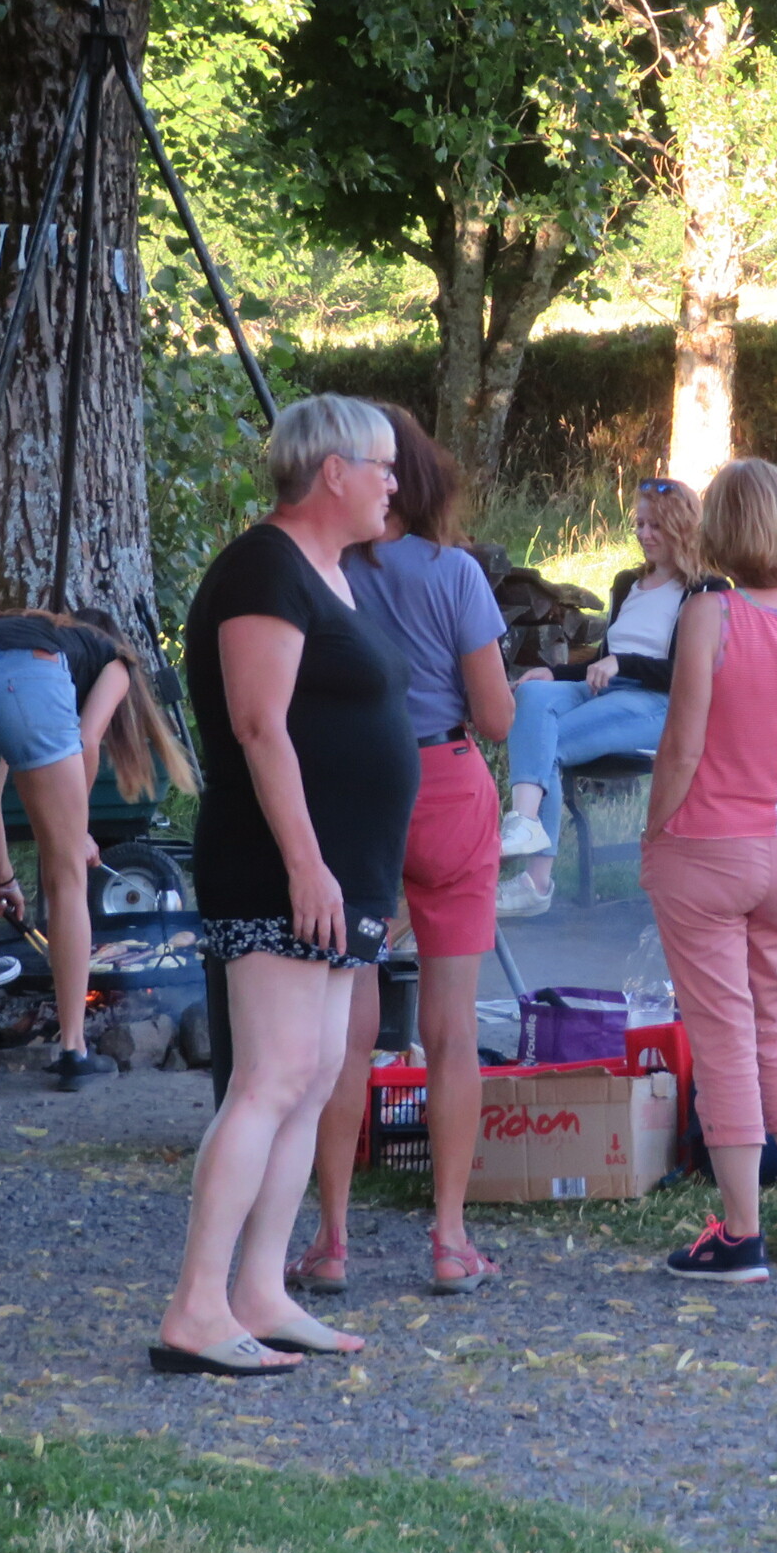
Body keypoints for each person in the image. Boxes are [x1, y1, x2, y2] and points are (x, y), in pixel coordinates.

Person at [153, 394, 417, 1378]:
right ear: (332, 471)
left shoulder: (330, 572)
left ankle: (261, 1290)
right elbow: (259, 726)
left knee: (309, 1081)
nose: (395, 483)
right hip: (278, 867)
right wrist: (307, 863)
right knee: (268, 1081)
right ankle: (197, 1305)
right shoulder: (263, 567)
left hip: (341, 875)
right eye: (383, 465)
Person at [293, 404, 516, 1296]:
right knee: (451, 1034)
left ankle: (332, 1239)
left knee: (347, 1035)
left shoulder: (324, 570)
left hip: (353, 791)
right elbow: (496, 716)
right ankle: (451, 1240)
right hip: (449, 783)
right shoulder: (455, 572)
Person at [641, 458, 777, 1282]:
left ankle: (738, 1232)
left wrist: (656, 831)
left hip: (705, 847)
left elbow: (682, 745)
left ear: (723, 531)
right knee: (773, 1026)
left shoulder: (710, 612)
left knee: (723, 1037)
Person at [0, 605, 193, 1097]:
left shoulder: (11, 630)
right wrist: (78, 833)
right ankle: (73, 1051)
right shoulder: (116, 660)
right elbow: (88, 739)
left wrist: (3, 875)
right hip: (33, 681)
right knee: (67, 877)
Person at [495, 477, 716, 918]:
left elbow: (690, 675)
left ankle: (535, 882)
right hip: (605, 690)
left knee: (548, 743)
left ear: (682, 527)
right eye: (639, 524)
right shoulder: (627, 583)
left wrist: (624, 663)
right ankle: (525, 823)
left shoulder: (706, 589)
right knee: (533, 693)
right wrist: (554, 672)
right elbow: (601, 662)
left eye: (655, 526)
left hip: (658, 703)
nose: (643, 534)